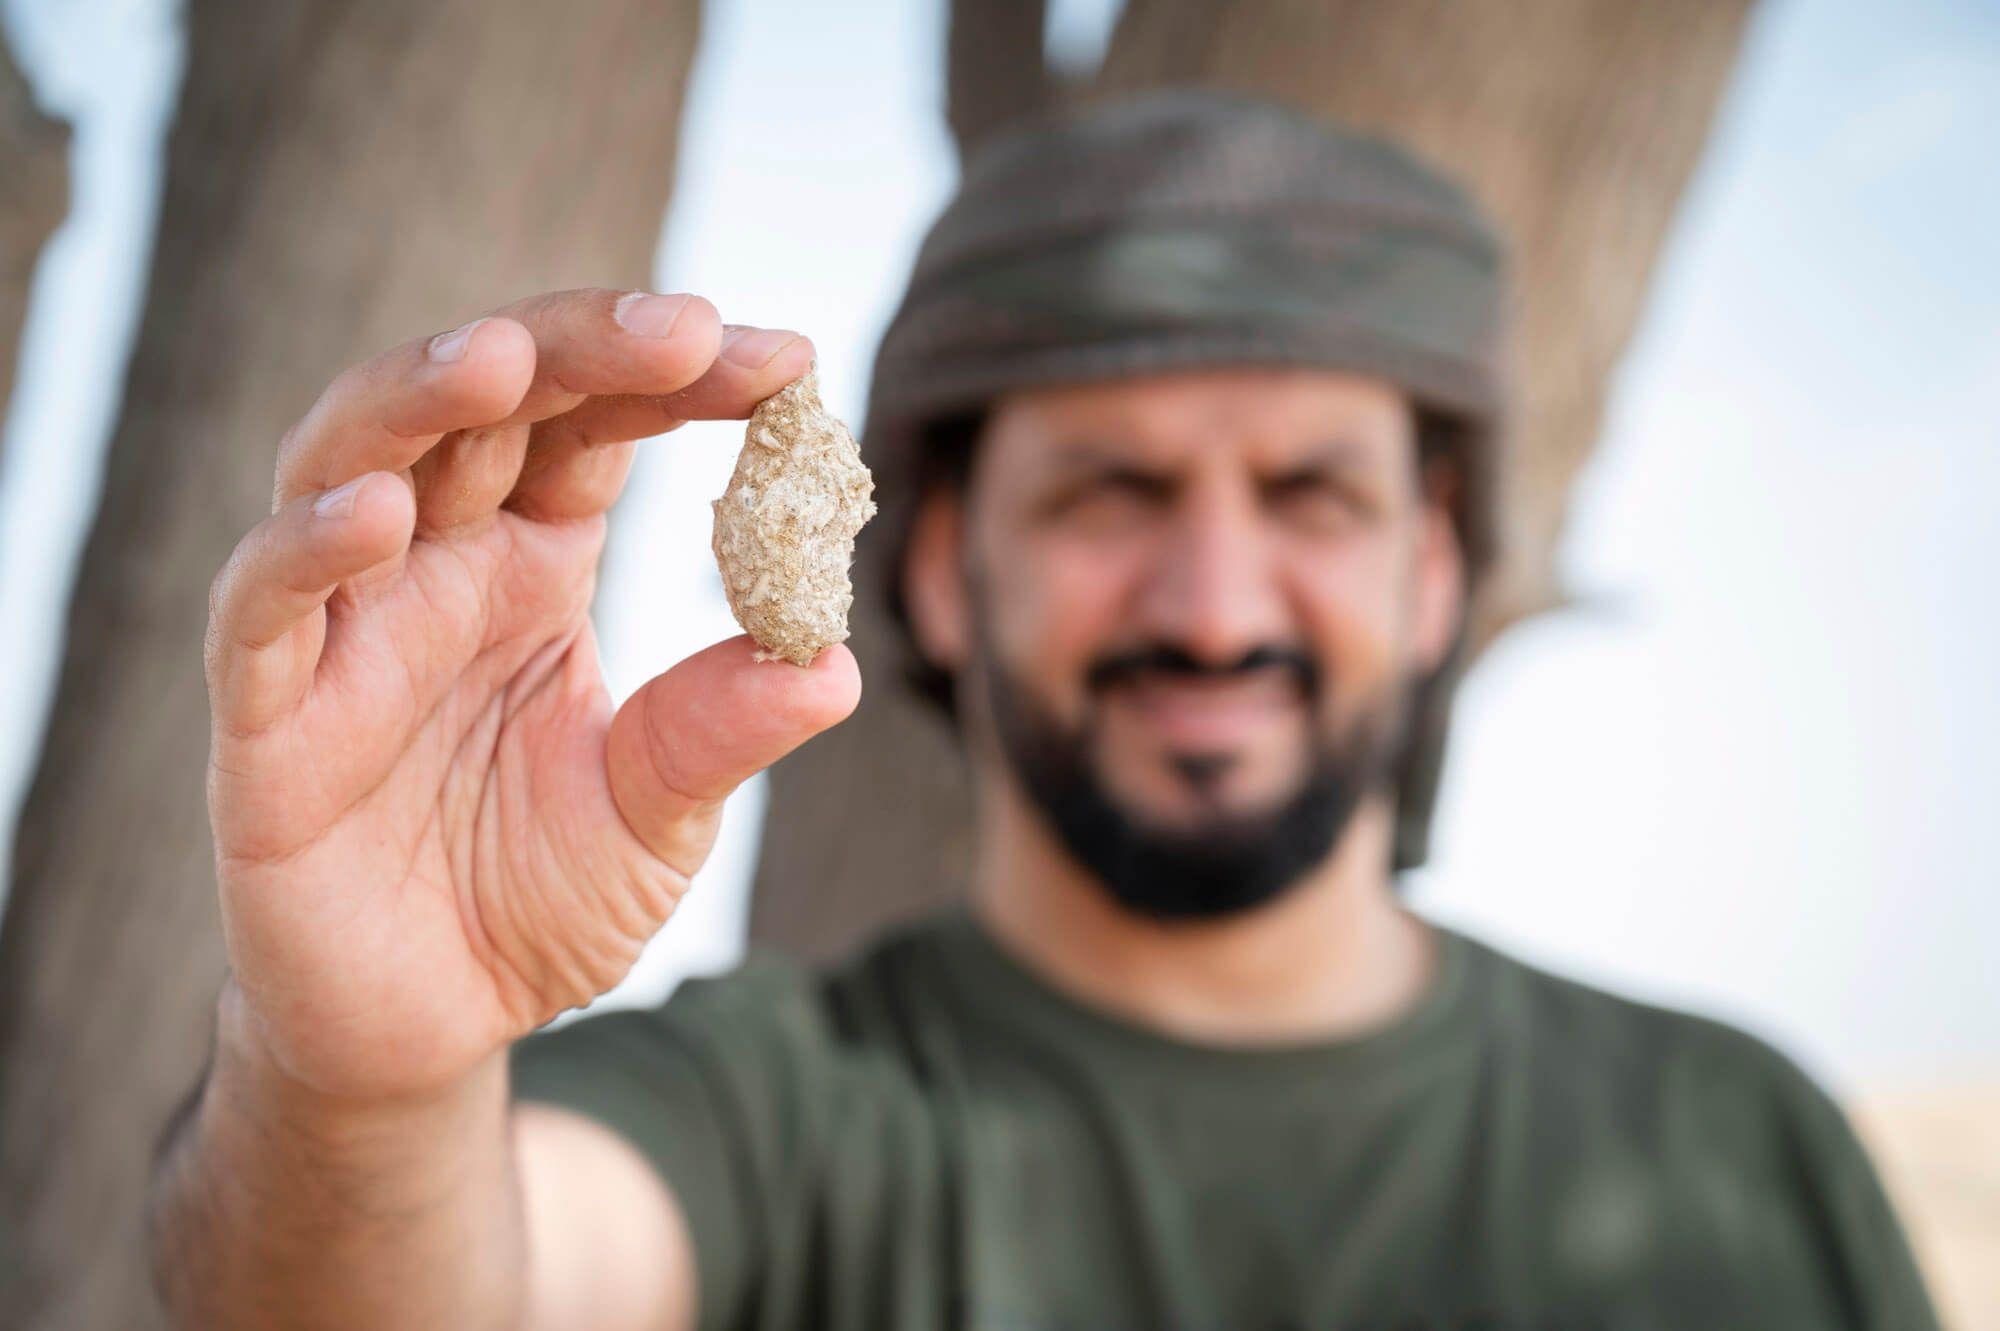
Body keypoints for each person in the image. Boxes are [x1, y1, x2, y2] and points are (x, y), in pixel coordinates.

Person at [148, 92, 1940, 1331]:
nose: (1217, 605)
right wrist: (362, 1090)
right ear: (935, 571)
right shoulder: (776, 1119)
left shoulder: (1737, 1147)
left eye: (1314, 494)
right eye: (1110, 494)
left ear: (1435, 573)